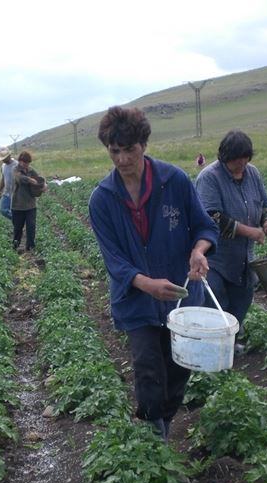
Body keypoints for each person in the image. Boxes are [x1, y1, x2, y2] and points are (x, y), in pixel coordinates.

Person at [88, 106, 218, 441]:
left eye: (129, 149)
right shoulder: (102, 199)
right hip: (136, 301)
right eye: (114, 151)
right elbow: (114, 260)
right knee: (147, 367)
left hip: (180, 295)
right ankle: (153, 432)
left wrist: (198, 251)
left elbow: (204, 226)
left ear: (143, 145)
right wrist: (146, 285)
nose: (122, 159)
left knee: (179, 366)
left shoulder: (173, 181)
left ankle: (165, 417)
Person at [195, 129, 267, 352]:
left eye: (245, 158)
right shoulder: (209, 177)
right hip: (215, 256)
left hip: (244, 257)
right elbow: (213, 217)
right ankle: (213, 348)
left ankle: (229, 344)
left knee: (242, 299)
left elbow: (265, 204)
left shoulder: (253, 174)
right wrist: (251, 232)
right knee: (216, 299)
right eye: (236, 159)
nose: (241, 163)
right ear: (224, 157)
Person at [11, 150, 46, 253]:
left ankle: (30, 247)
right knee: (18, 228)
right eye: (25, 162)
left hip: (31, 205)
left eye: (28, 163)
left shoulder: (31, 170)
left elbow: (40, 179)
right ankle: (15, 247)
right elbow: (19, 178)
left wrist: (44, 185)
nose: (26, 165)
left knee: (31, 226)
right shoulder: (15, 170)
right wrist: (30, 180)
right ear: (20, 161)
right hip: (18, 205)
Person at [0, 146, 16, 220]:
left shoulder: (16, 165)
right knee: (2, 210)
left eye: (4, 158)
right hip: (6, 192)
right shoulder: (3, 166)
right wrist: (0, 190)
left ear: (9, 156)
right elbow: (3, 178)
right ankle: (17, 220)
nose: (3, 160)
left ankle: (18, 223)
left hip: (16, 193)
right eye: (2, 158)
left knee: (14, 211)